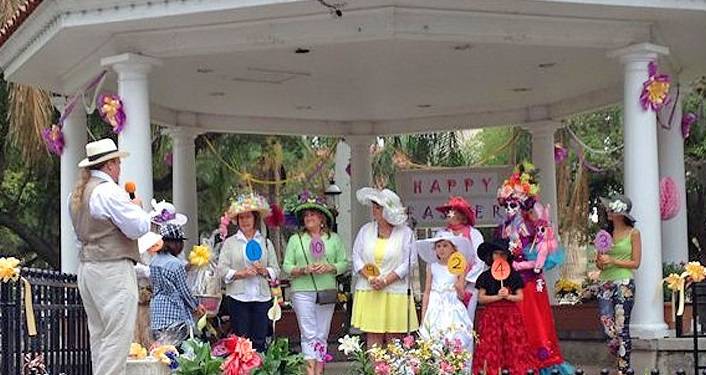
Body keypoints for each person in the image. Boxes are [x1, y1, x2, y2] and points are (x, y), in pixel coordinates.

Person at [69, 138, 151, 375]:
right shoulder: (108, 192)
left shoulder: (76, 194)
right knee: (117, 338)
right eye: (117, 162)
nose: (119, 168)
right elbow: (138, 227)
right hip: (112, 269)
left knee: (100, 336)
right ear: (110, 165)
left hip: (88, 269)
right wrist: (137, 206)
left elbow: (79, 237)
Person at [498, 162, 573, 375]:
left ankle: (540, 364)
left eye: (514, 205)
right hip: (511, 285)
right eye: (507, 205)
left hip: (530, 284)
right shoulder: (504, 229)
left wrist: (523, 264)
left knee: (534, 322)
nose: (509, 210)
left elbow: (542, 258)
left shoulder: (534, 227)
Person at [282, 193, 349, 375]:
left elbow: (344, 263)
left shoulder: (333, 239)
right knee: (308, 333)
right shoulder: (296, 240)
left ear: (322, 218)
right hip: (302, 291)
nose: (309, 218)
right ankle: (310, 372)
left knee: (322, 333)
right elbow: (286, 266)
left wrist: (330, 267)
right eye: (306, 215)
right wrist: (304, 270)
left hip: (326, 290)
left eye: (313, 214)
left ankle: (320, 369)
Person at [351, 187, 418, 348]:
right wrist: (371, 278)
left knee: (394, 338)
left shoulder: (406, 233)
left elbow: (409, 262)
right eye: (373, 206)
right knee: (373, 337)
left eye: (378, 207)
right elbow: (356, 256)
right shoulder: (365, 230)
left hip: (395, 291)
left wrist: (387, 280)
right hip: (370, 289)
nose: (374, 210)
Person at [217, 192, 280, 352]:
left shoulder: (265, 242)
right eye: (241, 218)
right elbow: (221, 270)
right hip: (238, 298)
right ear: (237, 220)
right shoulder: (230, 243)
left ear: (255, 219)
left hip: (262, 297)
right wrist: (241, 274)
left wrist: (264, 270)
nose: (245, 221)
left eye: (248, 217)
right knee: (241, 341)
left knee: (259, 340)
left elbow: (276, 269)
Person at [473, 239, 537, 375]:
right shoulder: (485, 276)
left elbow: (520, 297)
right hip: (491, 316)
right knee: (491, 346)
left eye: (503, 254)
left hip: (511, 316)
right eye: (496, 253)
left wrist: (507, 296)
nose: (499, 257)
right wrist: (498, 297)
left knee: (514, 345)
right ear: (491, 256)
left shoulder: (514, 276)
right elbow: (481, 298)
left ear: (507, 256)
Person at [596, 195, 641, 374]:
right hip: (604, 282)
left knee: (622, 327)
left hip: (624, 282)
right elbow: (598, 264)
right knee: (607, 326)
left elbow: (636, 263)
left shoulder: (634, 233)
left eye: (611, 209)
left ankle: (623, 369)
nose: (608, 212)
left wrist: (613, 260)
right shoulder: (604, 235)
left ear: (621, 213)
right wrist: (601, 261)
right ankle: (618, 356)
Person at [416, 233, 474, 351]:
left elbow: (462, 295)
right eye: (438, 246)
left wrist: (458, 286)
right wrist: (423, 317)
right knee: (434, 338)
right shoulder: (432, 266)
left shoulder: (459, 267)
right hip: (435, 305)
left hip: (452, 306)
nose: (441, 249)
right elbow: (427, 292)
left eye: (445, 246)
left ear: (453, 248)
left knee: (454, 338)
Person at [150, 223, 205, 345]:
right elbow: (184, 291)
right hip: (174, 314)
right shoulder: (175, 263)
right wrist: (196, 306)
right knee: (176, 354)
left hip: (157, 312)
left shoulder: (154, 261)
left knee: (162, 353)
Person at [435, 196, 485, 324]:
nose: (448, 215)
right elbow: (436, 258)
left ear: (461, 215)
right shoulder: (441, 234)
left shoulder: (474, 234)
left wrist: (465, 280)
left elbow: (480, 260)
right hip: (446, 284)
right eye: (448, 212)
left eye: (452, 211)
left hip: (468, 285)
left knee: (466, 320)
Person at [133, 231, 164, 348]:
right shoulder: (139, 245)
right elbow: (133, 267)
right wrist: (148, 271)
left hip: (154, 299)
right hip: (139, 298)